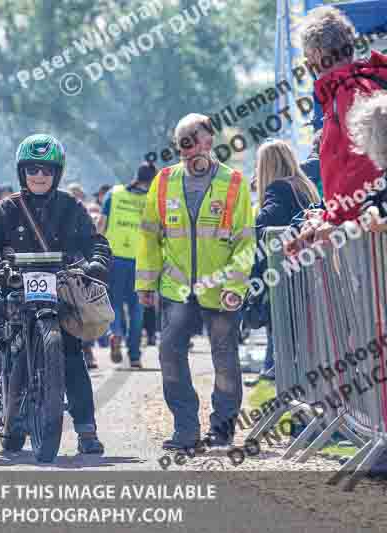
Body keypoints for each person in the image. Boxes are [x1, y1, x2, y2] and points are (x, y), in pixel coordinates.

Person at [0, 133, 110, 454]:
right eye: (32, 169)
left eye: (47, 170)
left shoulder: (71, 206)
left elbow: (95, 241)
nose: (39, 175)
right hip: (11, 280)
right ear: (21, 172)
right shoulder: (5, 208)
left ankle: (87, 431)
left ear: (57, 173)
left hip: (60, 283)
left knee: (72, 353)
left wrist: (97, 261)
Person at [135, 113, 255, 450]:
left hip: (220, 290)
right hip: (177, 290)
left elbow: (245, 241)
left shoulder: (234, 183)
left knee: (225, 361)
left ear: (210, 141)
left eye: (193, 139)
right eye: (182, 142)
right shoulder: (164, 181)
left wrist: (235, 286)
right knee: (170, 356)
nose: (187, 147)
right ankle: (186, 430)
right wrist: (145, 284)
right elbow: (149, 236)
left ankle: (222, 431)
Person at [296, 6, 387, 240]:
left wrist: (334, 220)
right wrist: (326, 215)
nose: (306, 63)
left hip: (367, 238)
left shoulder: (349, 92)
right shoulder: (359, 84)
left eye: (306, 56)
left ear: (317, 54)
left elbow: (365, 167)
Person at [249, 140, 320, 384]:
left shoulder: (278, 189)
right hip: (308, 274)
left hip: (287, 279)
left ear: (266, 166)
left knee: (286, 353)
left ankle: (289, 397)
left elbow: (266, 224)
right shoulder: (304, 186)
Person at [98, 161, 157, 368]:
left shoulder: (114, 194)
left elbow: (101, 225)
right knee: (137, 309)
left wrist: (96, 251)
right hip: (141, 262)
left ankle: (115, 333)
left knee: (114, 303)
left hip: (114, 258)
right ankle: (134, 356)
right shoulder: (152, 201)